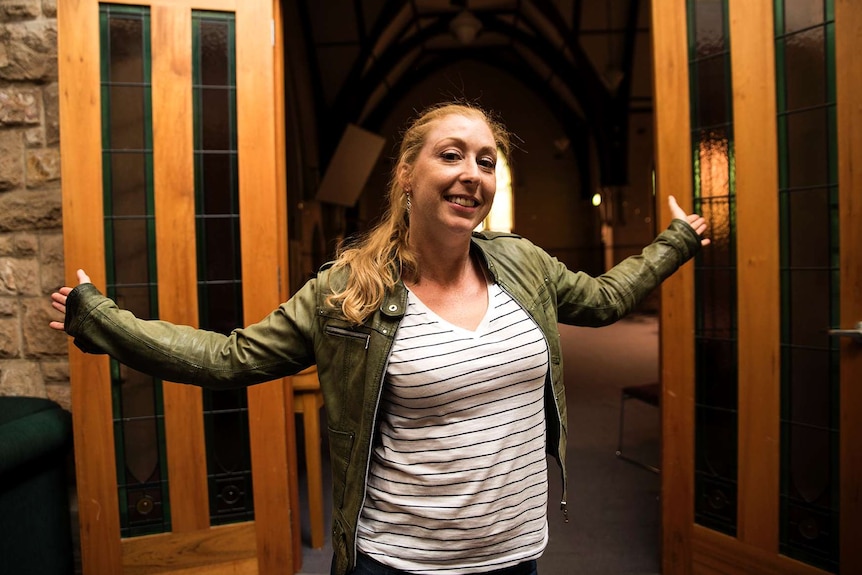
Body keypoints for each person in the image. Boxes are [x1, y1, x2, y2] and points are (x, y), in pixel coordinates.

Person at [50, 102, 709, 575]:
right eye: (450, 154)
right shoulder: (349, 291)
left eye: (486, 160)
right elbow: (230, 357)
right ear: (406, 174)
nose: (472, 173)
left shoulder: (524, 263)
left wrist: (676, 241)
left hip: (515, 553)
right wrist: (101, 319)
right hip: (399, 560)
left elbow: (601, 301)